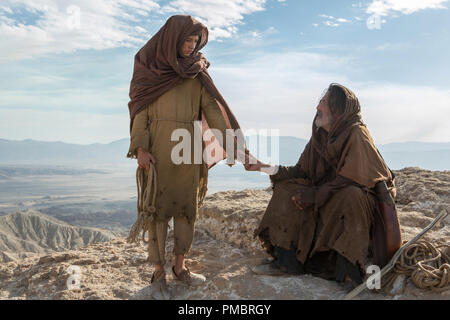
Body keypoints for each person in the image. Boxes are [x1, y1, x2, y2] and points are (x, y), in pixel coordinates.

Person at [126, 15, 249, 299]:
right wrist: (141, 149)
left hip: (189, 150)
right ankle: (158, 271)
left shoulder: (197, 73)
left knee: (186, 210)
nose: (191, 46)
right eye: (187, 40)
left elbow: (214, 111)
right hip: (157, 151)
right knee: (156, 212)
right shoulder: (152, 71)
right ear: (172, 39)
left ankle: (180, 267)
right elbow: (140, 113)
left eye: (195, 41)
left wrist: (231, 145)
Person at [246, 83, 402, 289]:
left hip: (359, 203)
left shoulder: (356, 134)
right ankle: (288, 261)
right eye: (320, 102)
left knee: (352, 195)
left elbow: (356, 178)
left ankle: (350, 272)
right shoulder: (320, 135)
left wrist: (316, 194)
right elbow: (302, 171)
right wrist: (265, 167)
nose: (317, 107)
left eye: (324, 103)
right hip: (329, 194)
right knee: (287, 188)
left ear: (338, 110)